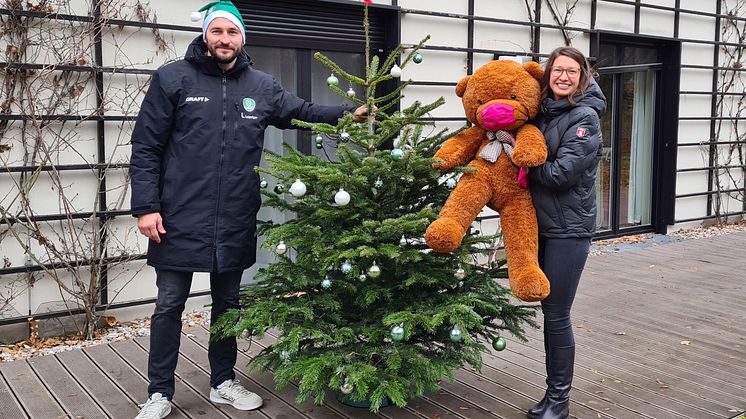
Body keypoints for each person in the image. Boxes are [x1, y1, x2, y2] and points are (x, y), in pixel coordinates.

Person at [129, 1, 368, 418]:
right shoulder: (172, 79)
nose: (225, 39)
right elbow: (146, 147)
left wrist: (348, 114)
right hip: (177, 216)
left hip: (236, 215)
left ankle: (223, 382)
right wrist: (146, 207)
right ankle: (159, 393)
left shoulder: (261, 86)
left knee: (228, 305)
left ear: (242, 38)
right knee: (169, 304)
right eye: (218, 31)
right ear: (206, 34)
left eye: (232, 32)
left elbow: (303, 113)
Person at [527, 47, 606, 419]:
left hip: (569, 230)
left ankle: (560, 401)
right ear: (549, 74)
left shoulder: (585, 117)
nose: (563, 77)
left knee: (557, 314)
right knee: (550, 311)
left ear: (582, 76)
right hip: (541, 226)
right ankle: (550, 395)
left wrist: (521, 162)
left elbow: (560, 175)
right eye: (557, 70)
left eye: (571, 71)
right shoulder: (544, 113)